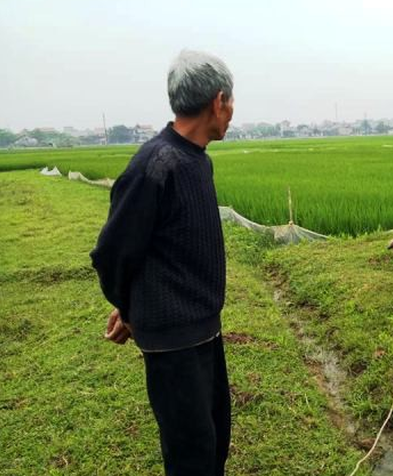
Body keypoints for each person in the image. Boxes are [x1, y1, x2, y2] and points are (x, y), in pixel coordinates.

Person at [90, 49, 235, 476]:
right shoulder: (156, 165)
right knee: (191, 455)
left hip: (203, 328)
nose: (231, 113)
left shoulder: (195, 160)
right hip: (173, 341)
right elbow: (113, 252)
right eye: (230, 104)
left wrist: (133, 304)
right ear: (217, 100)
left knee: (214, 440)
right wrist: (132, 309)